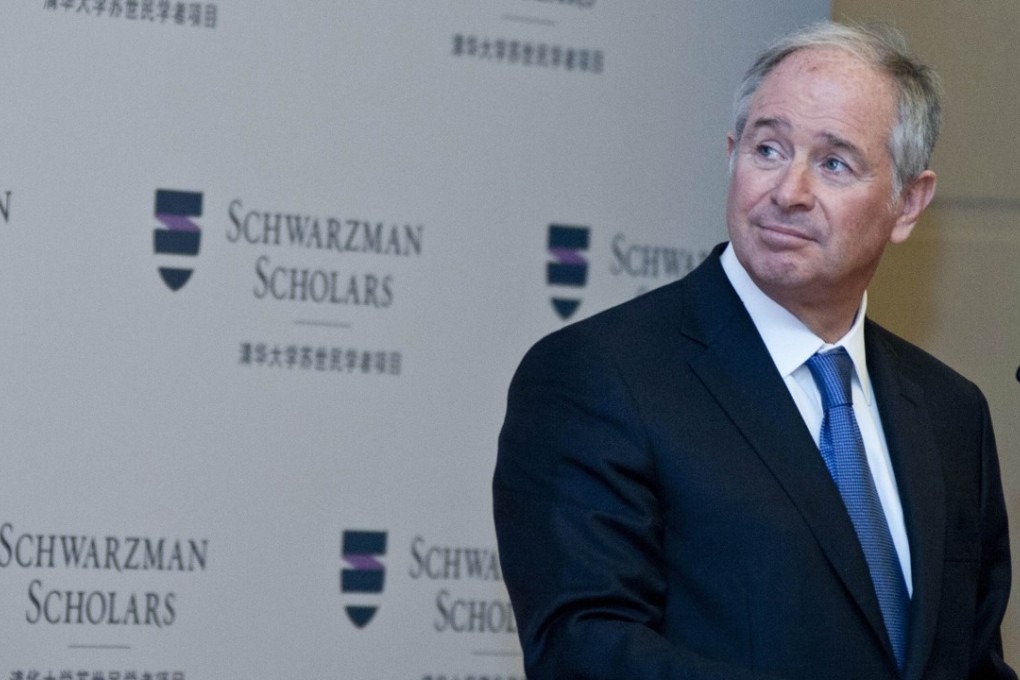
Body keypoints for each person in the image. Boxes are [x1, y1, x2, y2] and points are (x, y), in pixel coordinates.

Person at [493, 20, 1016, 680]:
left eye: (833, 163)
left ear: (908, 203)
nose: (788, 191)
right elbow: (587, 648)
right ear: (732, 154)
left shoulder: (950, 413)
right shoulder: (600, 375)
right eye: (768, 149)